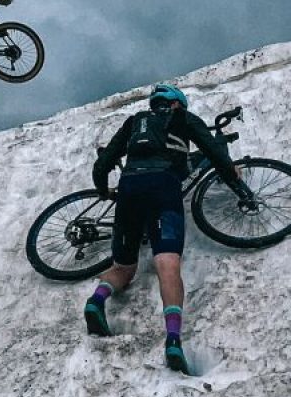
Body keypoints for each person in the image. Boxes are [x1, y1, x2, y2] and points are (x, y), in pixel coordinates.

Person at [84, 83, 256, 374]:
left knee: (124, 269)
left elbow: (104, 163)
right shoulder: (184, 119)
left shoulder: (135, 121)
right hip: (163, 186)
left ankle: (96, 301)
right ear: (178, 104)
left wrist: (104, 189)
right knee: (167, 265)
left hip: (129, 187)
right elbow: (211, 149)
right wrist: (230, 170)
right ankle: (173, 339)